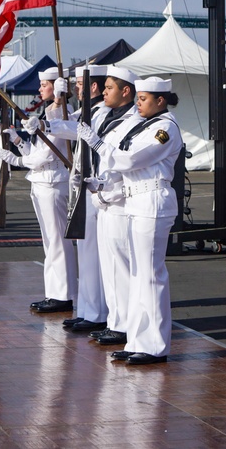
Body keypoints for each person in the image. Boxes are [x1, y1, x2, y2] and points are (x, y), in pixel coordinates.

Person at [85, 76, 182, 366]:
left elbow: (131, 161)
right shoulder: (146, 125)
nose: (138, 103)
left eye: (143, 99)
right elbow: (125, 163)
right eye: (137, 98)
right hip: (136, 202)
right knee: (139, 277)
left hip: (152, 203)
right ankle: (139, 340)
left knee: (151, 277)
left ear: (160, 100)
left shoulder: (165, 128)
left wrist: (99, 145)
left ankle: (155, 345)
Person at [42, 64, 111, 333]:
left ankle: (96, 313)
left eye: (80, 86)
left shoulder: (101, 112)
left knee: (93, 253)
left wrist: (50, 123)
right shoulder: (89, 111)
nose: (77, 90)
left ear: (92, 87)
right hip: (82, 185)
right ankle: (87, 309)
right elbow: (69, 124)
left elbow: (73, 128)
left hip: (96, 187)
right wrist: (50, 117)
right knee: (85, 251)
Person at [76, 65, 140, 347]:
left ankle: (124, 325)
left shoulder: (134, 120)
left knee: (122, 269)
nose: (104, 91)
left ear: (126, 91)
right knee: (109, 267)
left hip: (120, 199)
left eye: (110, 87)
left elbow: (126, 159)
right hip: (102, 197)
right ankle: (115, 321)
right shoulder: (106, 114)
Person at [4, 67, 76, 314]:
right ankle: (54, 292)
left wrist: (17, 161)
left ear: (56, 87)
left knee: (57, 241)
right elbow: (36, 153)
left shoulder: (59, 115)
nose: (39, 88)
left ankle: (63, 295)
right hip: (42, 182)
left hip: (53, 182)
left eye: (44, 84)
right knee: (50, 241)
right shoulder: (47, 113)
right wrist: (18, 141)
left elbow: (44, 155)